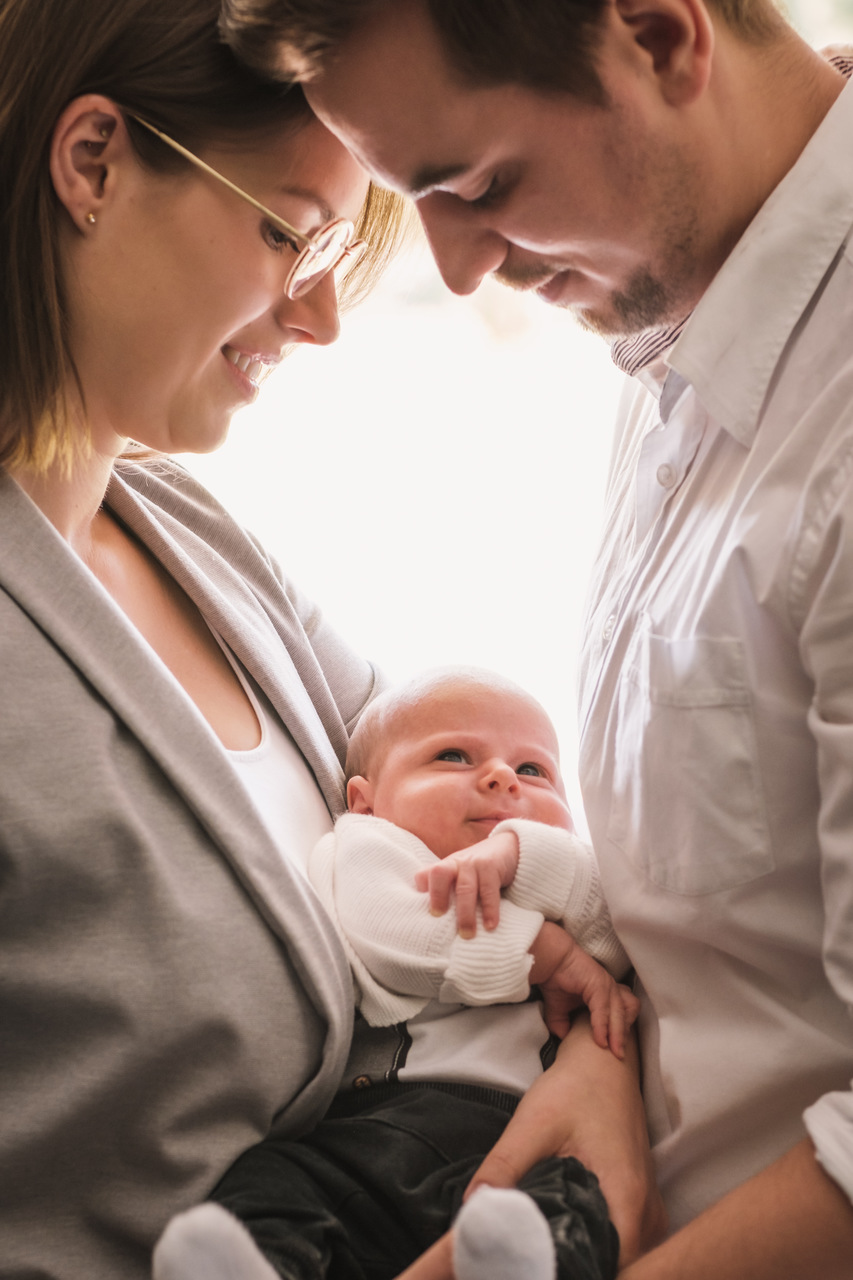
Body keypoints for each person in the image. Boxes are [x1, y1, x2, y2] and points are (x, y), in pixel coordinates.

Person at [214, 1, 853, 1277]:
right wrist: (593, 1066)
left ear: (663, 38)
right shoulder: (687, 314)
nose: (455, 268)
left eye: (481, 184)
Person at [0, 0, 415, 1275]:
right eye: (289, 232)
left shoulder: (190, 528)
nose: (321, 317)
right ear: (94, 163)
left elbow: (453, 799)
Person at [153, 666, 641, 1280]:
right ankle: (264, 1266)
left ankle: (513, 1267)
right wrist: (545, 954)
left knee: (574, 1202)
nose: (500, 778)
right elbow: (394, 936)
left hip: (531, 1130)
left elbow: (612, 934)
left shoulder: (568, 872)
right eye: (454, 755)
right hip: (384, 1123)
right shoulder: (368, 849)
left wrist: (518, 852)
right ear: (367, 800)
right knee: (277, 1179)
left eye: (533, 770)